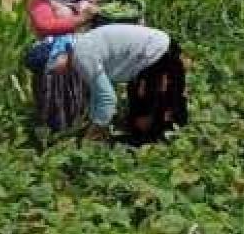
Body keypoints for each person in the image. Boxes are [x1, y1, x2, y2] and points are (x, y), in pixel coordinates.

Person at [31, 24, 188, 145]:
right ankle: (169, 130)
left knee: (148, 111)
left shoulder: (81, 56)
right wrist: (94, 120)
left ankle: (159, 142)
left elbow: (107, 98)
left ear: (57, 54)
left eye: (51, 68)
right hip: (155, 48)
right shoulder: (79, 46)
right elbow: (98, 93)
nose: (55, 73)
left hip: (156, 54)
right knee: (140, 108)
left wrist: (94, 132)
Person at [25, 0, 100, 132]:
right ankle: (58, 128)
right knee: (58, 84)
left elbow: (100, 14)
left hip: (88, 46)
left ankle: (88, 124)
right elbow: (45, 26)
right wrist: (80, 19)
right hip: (55, 49)